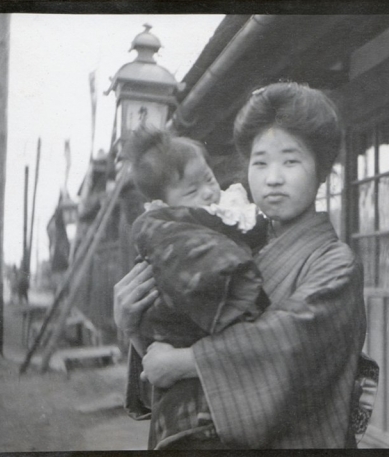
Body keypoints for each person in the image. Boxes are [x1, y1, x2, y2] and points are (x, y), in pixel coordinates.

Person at [114, 82, 373, 449]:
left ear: (322, 170)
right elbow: (168, 353)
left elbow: (289, 344)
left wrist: (187, 362)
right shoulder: (226, 246)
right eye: (260, 161)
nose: (273, 178)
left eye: (291, 160)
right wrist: (131, 324)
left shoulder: (336, 264)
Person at [121, 128, 269, 449]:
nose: (208, 193)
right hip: (195, 401)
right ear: (163, 204)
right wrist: (133, 328)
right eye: (192, 191)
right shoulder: (168, 233)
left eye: (209, 179)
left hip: (224, 377)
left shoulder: (228, 218)